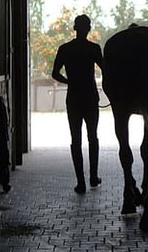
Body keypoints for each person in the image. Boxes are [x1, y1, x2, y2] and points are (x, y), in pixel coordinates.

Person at [51, 14, 103, 193]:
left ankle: (81, 182)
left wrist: (70, 81)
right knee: (93, 137)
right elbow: (106, 69)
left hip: (73, 98)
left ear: (75, 28)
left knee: (76, 140)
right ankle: (93, 177)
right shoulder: (94, 49)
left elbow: (55, 74)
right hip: (90, 97)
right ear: (88, 28)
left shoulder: (64, 49)